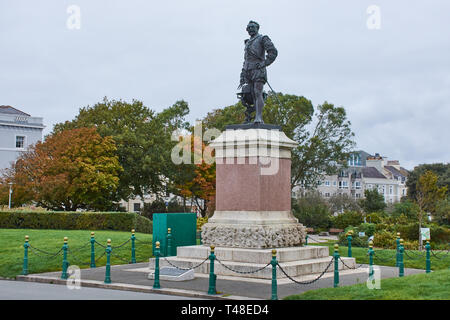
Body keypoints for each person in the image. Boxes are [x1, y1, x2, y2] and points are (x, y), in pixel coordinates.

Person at [238, 21, 278, 123]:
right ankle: (250, 117)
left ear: (257, 28)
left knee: (257, 92)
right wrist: (243, 73)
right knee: (250, 93)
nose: (250, 29)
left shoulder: (262, 38)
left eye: (253, 27)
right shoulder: (247, 42)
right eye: (249, 27)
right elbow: (245, 59)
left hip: (258, 69)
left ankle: (258, 117)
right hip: (248, 70)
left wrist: (264, 63)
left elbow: (273, 52)